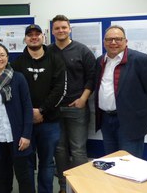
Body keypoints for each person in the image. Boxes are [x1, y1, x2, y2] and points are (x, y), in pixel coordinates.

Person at [11, 24, 66, 193]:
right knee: (25, 162)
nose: (33, 37)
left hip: (49, 121)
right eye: (30, 35)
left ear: (43, 37)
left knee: (47, 163)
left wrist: (41, 111)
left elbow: (60, 89)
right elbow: (14, 93)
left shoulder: (56, 59)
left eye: (37, 34)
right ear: (25, 39)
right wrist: (29, 115)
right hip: (24, 125)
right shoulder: (17, 63)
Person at [95, 25, 147, 158]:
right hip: (106, 121)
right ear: (104, 42)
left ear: (126, 41)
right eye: (109, 39)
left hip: (131, 122)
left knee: (130, 165)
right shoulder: (100, 61)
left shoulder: (141, 60)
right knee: (111, 162)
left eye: (118, 39)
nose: (113, 42)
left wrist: (142, 115)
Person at [49, 15, 96, 193]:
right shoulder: (48, 51)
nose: (61, 30)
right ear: (52, 31)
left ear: (70, 29)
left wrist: (83, 99)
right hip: (54, 110)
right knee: (59, 150)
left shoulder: (82, 50)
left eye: (64, 27)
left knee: (78, 150)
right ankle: (63, 186)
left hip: (77, 107)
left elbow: (92, 77)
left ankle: (80, 188)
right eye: (57, 28)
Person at [0, 44, 33, 193]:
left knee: (24, 176)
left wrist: (26, 134)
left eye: (2, 55)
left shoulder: (19, 78)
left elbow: (27, 108)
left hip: (18, 136)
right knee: (1, 178)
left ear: (7, 57)